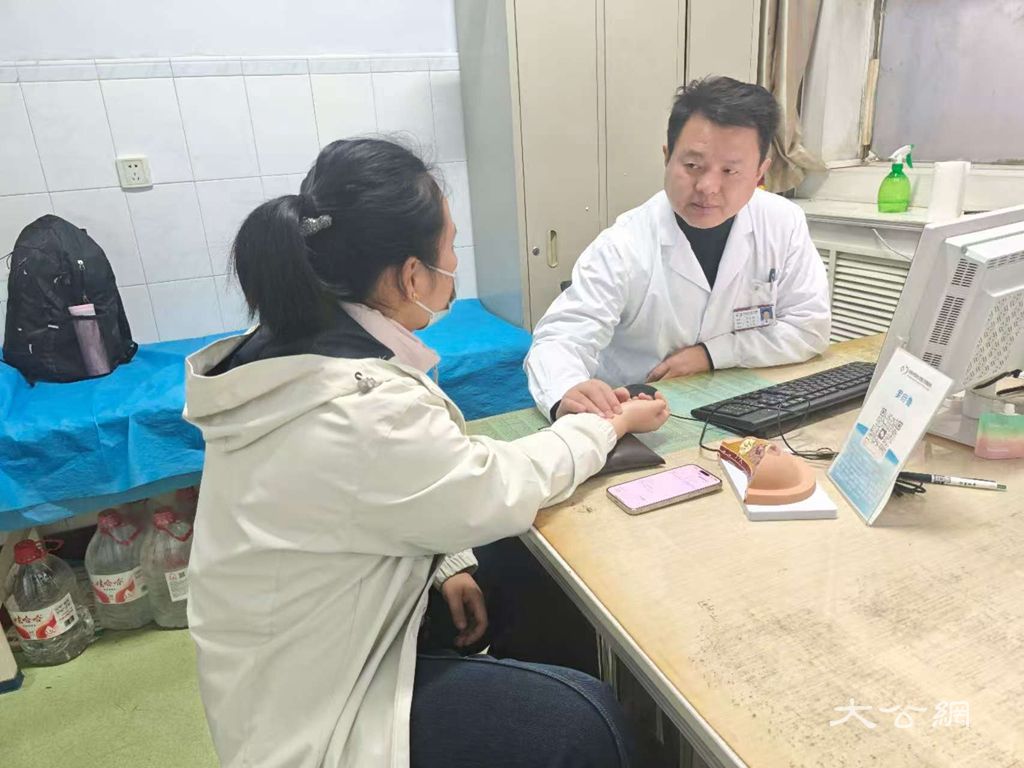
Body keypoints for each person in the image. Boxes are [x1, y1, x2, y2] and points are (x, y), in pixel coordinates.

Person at [183, 138, 669, 768]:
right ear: (411, 275)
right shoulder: (359, 406)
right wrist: (608, 425)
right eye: (451, 247)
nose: (709, 184)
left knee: (518, 564)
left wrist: (447, 562)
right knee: (583, 721)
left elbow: (388, 492)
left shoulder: (298, 346)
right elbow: (488, 482)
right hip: (324, 712)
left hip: (298, 648)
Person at [525, 76, 831, 421]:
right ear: (667, 157)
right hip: (635, 412)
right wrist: (566, 390)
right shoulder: (624, 245)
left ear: (760, 172)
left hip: (741, 398)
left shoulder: (783, 223)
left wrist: (712, 354)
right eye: (692, 166)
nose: (708, 187)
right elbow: (560, 338)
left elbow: (809, 326)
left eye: (730, 170)